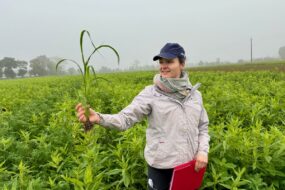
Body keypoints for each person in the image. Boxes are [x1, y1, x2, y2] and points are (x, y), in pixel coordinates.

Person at [76, 43, 210, 190]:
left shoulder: (195, 96)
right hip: (161, 167)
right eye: (161, 62)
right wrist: (99, 118)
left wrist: (202, 152)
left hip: (189, 166)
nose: (163, 66)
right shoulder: (151, 94)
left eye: (169, 61)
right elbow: (125, 119)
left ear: (182, 64)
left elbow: (202, 126)